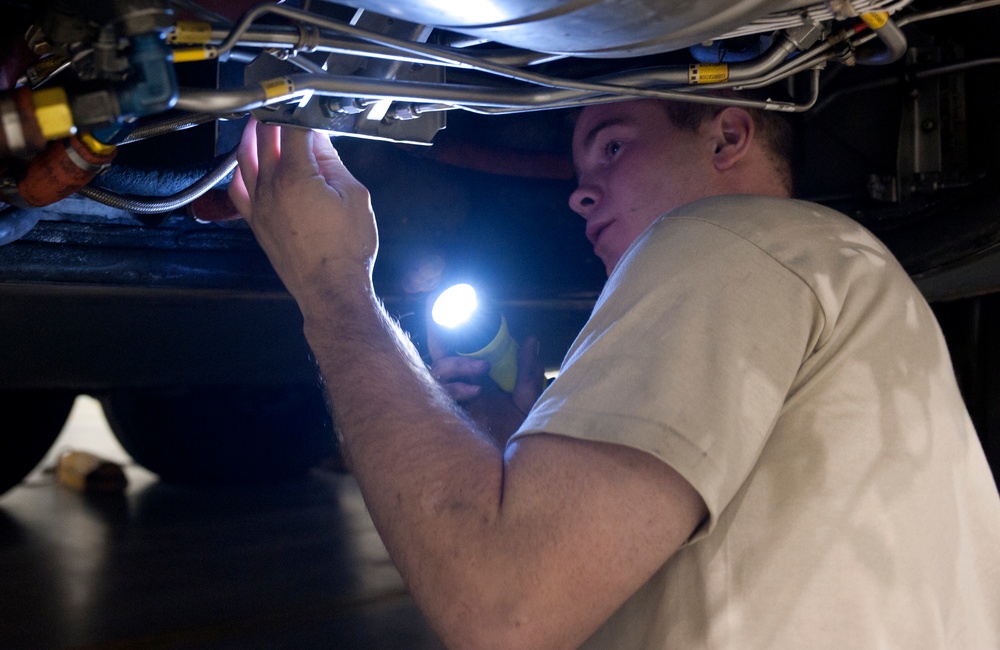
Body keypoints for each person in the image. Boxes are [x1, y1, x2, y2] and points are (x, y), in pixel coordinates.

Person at [228, 98, 1000, 649]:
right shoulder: (838, 274)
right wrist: (514, 462)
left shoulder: (736, 236)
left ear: (729, 134)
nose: (578, 189)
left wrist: (332, 288)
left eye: (613, 145)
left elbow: (505, 608)